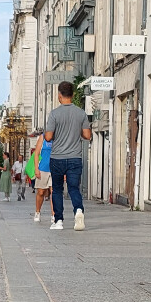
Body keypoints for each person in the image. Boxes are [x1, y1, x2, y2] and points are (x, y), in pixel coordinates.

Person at [46, 81, 92, 230]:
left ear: (59, 95)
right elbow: (87, 135)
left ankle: (58, 221)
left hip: (57, 157)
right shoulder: (81, 113)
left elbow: (48, 137)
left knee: (57, 189)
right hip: (75, 157)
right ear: (72, 95)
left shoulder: (54, 114)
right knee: (73, 188)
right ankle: (78, 210)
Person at [32, 129, 54, 223]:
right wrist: (36, 168)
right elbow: (36, 154)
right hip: (43, 168)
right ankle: (37, 212)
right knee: (41, 192)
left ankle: (54, 214)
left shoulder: (59, 137)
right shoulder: (43, 137)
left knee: (54, 192)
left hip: (55, 169)